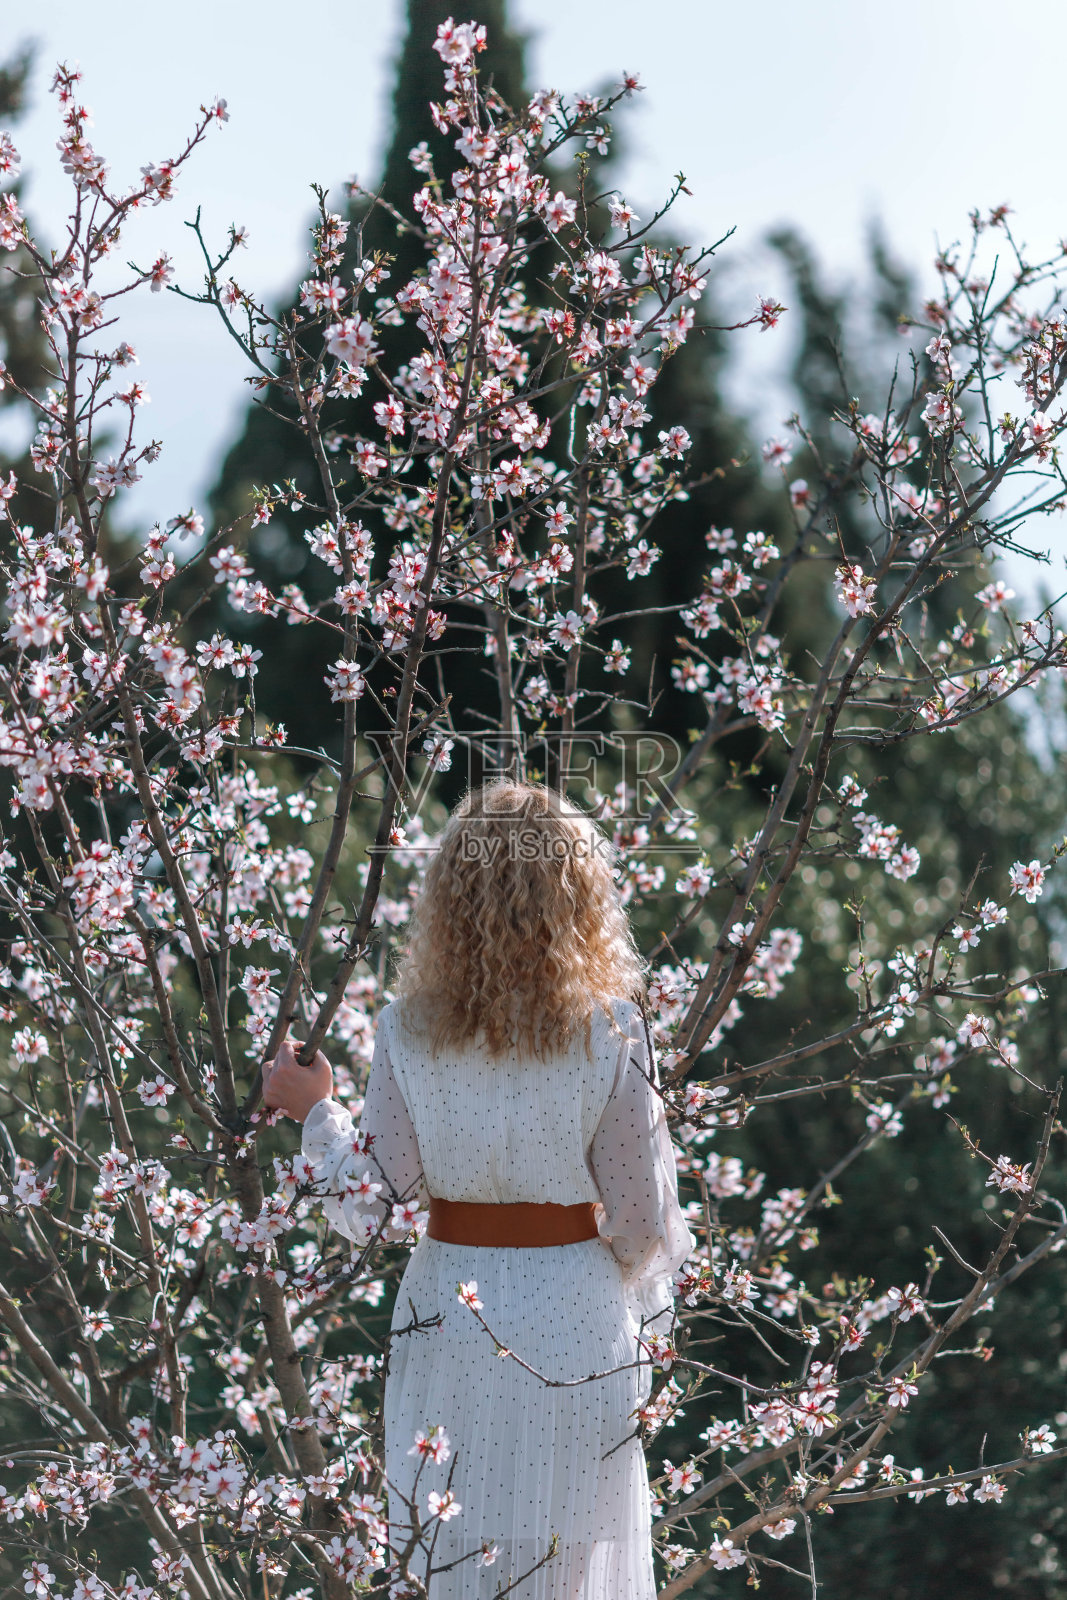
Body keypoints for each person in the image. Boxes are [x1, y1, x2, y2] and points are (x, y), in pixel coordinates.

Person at [263, 778, 694, 1599]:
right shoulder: (611, 1027)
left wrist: (317, 1111)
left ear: (450, 894)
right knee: (564, 1565)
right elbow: (640, 1224)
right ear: (579, 893)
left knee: (446, 1556)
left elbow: (367, 1203)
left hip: (447, 1314)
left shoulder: (405, 1027)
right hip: (575, 1318)